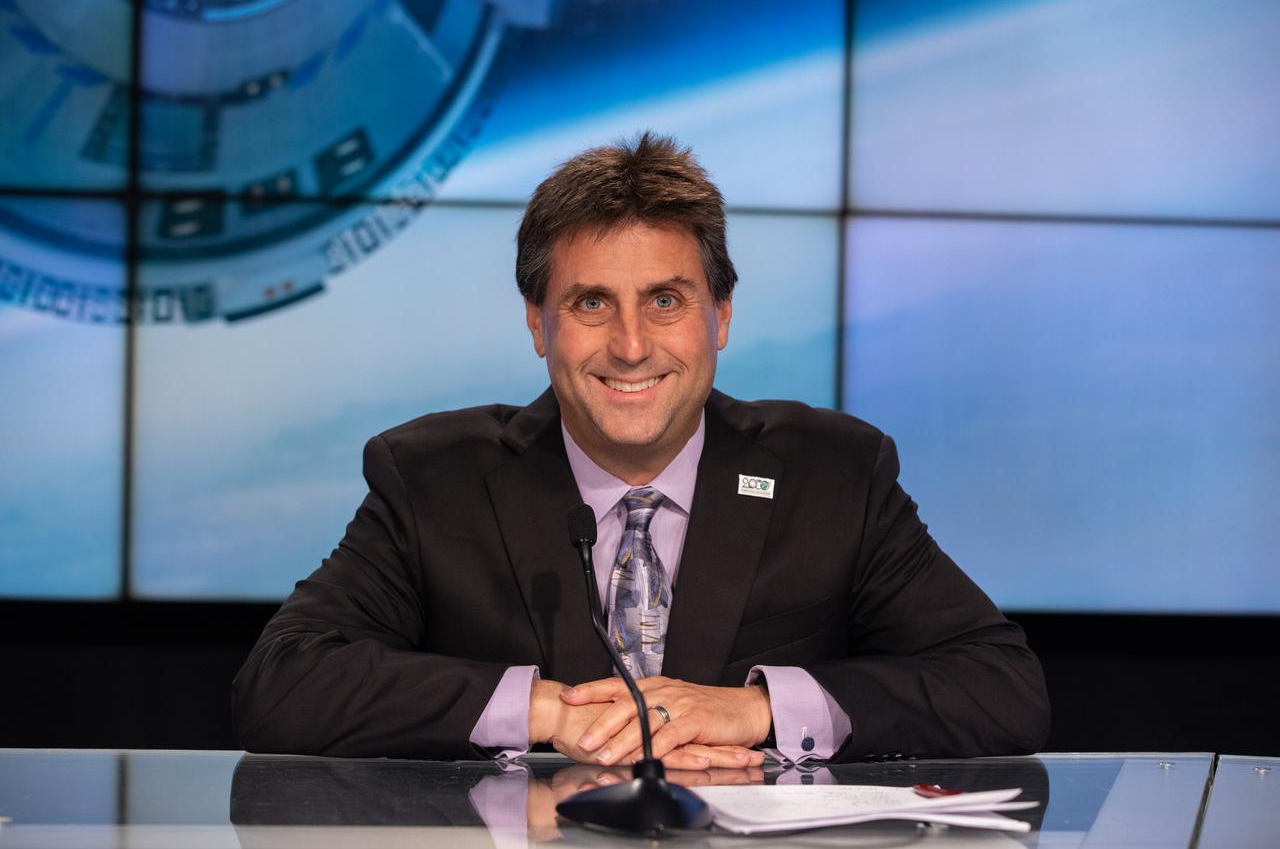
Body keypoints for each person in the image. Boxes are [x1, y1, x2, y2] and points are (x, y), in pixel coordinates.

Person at [232, 133, 1050, 767]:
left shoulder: (834, 474)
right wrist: (546, 711)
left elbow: (1001, 687)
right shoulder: (434, 480)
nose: (630, 345)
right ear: (537, 323)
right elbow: (283, 683)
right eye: (592, 301)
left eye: (665, 300)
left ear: (720, 317)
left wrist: (759, 710)